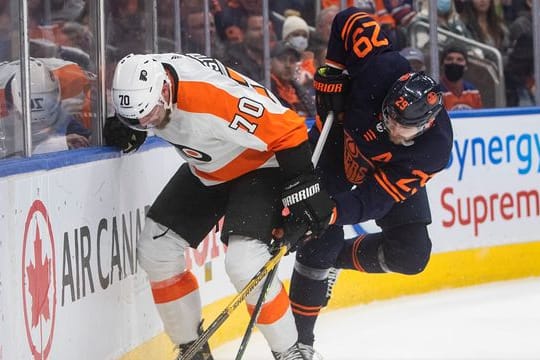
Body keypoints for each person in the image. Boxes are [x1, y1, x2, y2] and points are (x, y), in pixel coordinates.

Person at [104, 52, 335, 360]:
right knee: (156, 250)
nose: (147, 123)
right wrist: (132, 125)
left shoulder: (209, 98)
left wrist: (302, 187)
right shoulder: (144, 84)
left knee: (244, 263)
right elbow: (144, 111)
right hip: (210, 166)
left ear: (164, 90)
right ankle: (193, 350)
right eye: (138, 118)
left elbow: (289, 128)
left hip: (260, 164)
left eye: (149, 115)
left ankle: (292, 353)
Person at [287, 7, 454, 356]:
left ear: (425, 126)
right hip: (336, 143)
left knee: (411, 255)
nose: (392, 129)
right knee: (318, 239)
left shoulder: (432, 151)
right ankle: (299, 342)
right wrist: (332, 70)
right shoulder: (383, 69)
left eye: (403, 128)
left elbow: (375, 200)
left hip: (381, 174)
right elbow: (348, 18)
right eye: (389, 118)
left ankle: (337, 258)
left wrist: (331, 211)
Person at [0, 57, 91, 158]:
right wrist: (58, 144)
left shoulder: (63, 83)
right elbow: (9, 154)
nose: (38, 125)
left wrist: (62, 143)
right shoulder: (4, 115)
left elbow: (79, 133)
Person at [270, 41, 316, 117]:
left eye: (292, 60)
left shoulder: (300, 90)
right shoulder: (265, 89)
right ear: (270, 62)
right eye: (282, 59)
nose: (288, 65)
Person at [439, 43, 483, 110]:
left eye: (459, 59)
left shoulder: (472, 91)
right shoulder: (436, 93)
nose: (454, 62)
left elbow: (480, 117)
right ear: (442, 64)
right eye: (449, 59)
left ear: (466, 66)